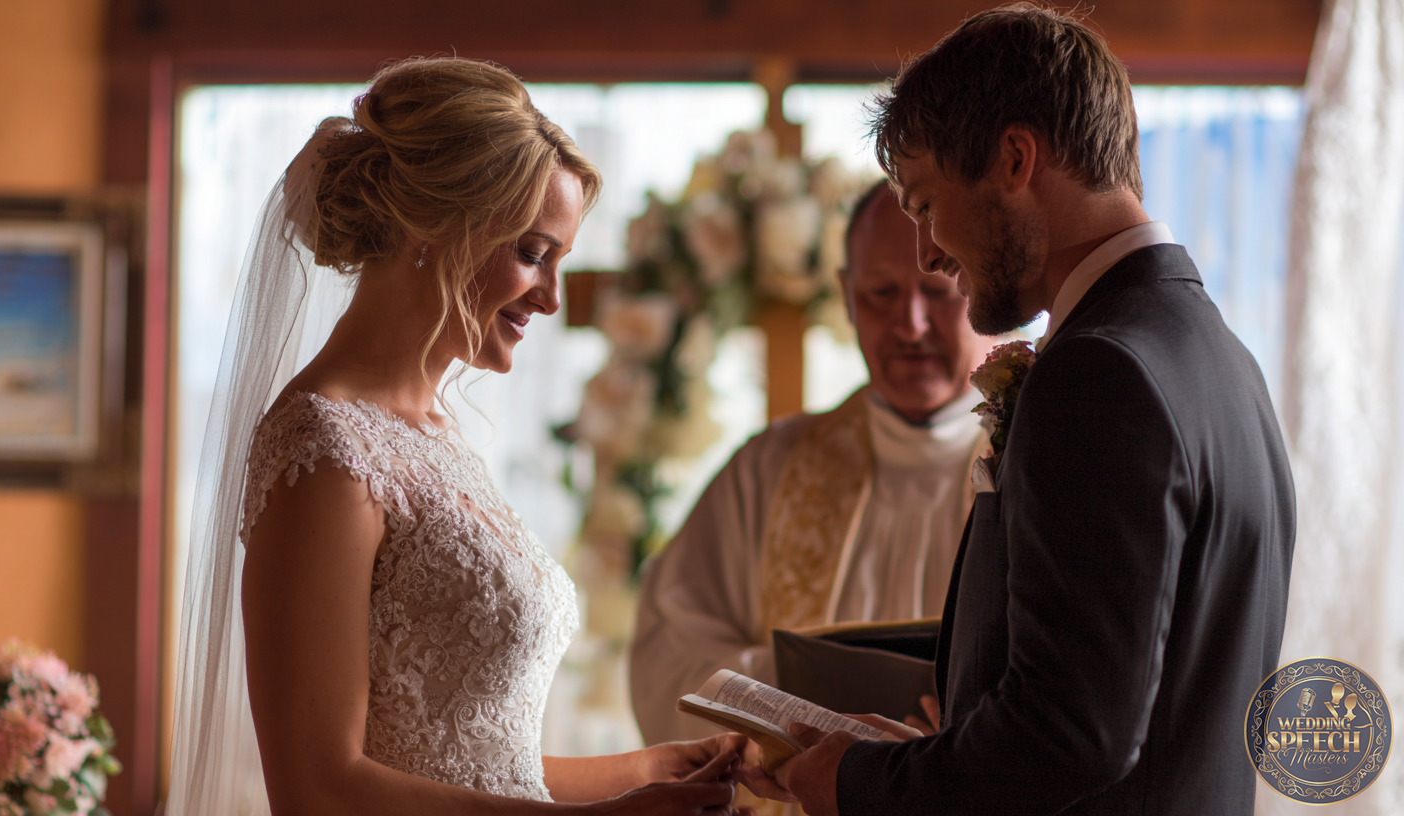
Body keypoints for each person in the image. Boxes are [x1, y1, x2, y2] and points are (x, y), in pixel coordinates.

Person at [165, 57, 747, 816]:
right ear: (432, 228)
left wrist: (649, 769)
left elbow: (473, 765)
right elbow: (318, 788)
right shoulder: (323, 451)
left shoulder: (441, 437)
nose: (551, 298)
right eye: (533, 254)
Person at [752, 5, 1296, 815]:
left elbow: (1074, 734)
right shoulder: (1217, 355)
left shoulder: (1101, 374)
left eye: (927, 203)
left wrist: (856, 784)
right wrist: (942, 751)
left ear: (1013, 158)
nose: (930, 254)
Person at [630, 181, 990, 745]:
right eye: (880, 292)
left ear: (982, 285)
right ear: (846, 295)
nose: (910, 325)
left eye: (938, 291)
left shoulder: (1030, 464)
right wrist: (794, 685)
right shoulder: (767, 470)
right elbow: (666, 663)